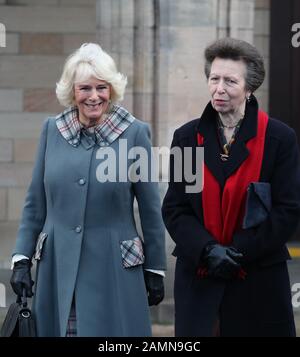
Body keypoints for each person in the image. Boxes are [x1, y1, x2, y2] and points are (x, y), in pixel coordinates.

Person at [10, 43, 166, 337]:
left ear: (112, 90)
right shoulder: (51, 130)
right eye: (85, 88)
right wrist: (21, 258)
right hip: (57, 264)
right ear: (72, 92)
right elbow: (35, 202)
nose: (94, 96)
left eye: (101, 88)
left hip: (115, 268)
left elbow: (150, 206)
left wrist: (156, 267)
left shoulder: (134, 133)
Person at [162, 38, 300, 337]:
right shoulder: (187, 138)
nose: (219, 88)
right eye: (214, 79)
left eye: (230, 81)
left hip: (258, 279)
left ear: (249, 88)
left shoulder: (279, 138)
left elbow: (287, 210)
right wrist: (209, 250)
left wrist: (236, 251)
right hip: (200, 277)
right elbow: (176, 209)